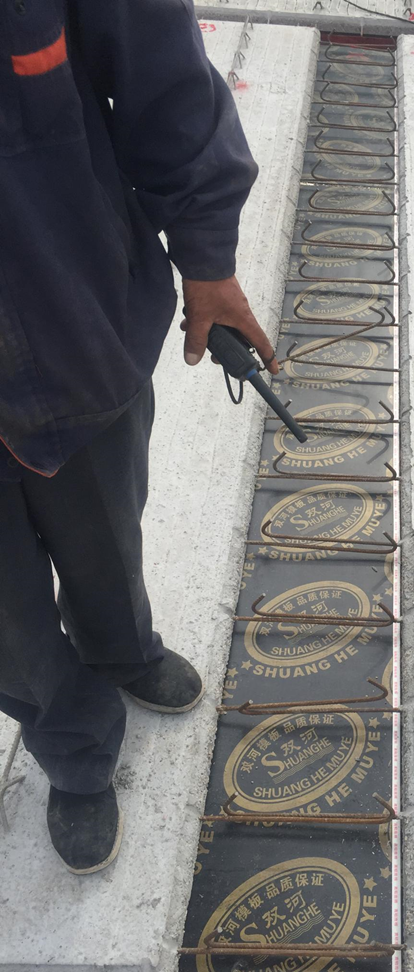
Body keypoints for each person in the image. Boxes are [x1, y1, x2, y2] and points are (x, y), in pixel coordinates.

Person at [0, 0, 278, 874]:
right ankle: (75, 750)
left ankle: (121, 651)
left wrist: (206, 253)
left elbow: (161, 72)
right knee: (7, 625)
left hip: (74, 320)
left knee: (105, 534)